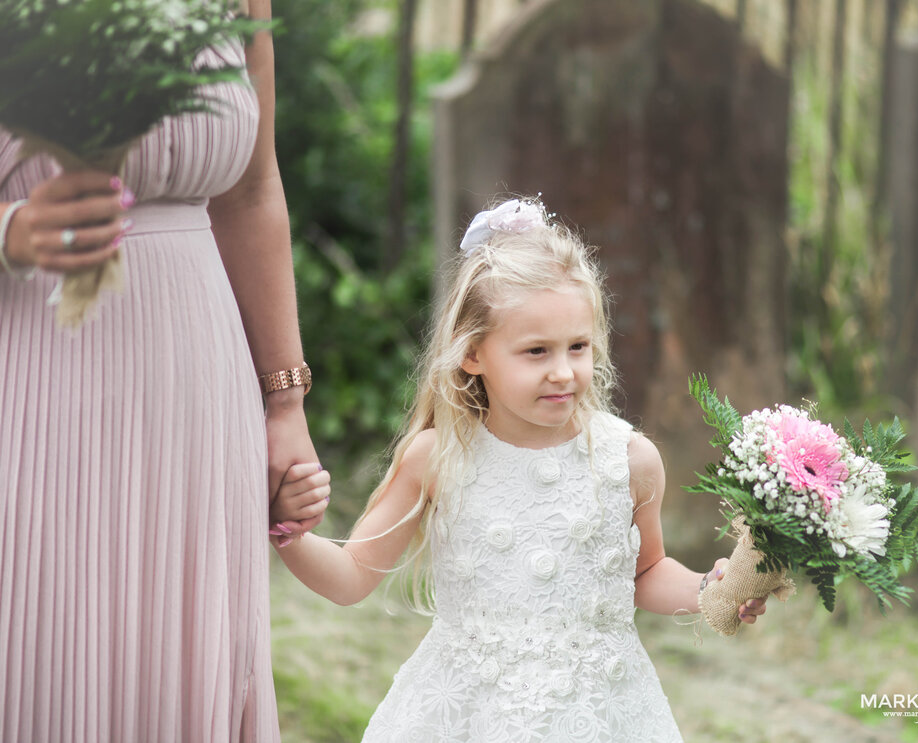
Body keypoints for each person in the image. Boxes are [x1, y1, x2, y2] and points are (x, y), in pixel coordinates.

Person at [270, 197, 768, 741]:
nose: (563, 371)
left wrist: (710, 588)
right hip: (467, 712)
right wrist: (290, 535)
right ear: (472, 354)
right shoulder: (438, 458)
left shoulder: (629, 460)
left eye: (578, 346)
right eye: (536, 352)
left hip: (597, 712)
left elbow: (644, 573)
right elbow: (350, 579)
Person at [0, 2, 321, 740]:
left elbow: (251, 191)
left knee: (183, 648)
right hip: (35, 361)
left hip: (193, 380)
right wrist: (14, 229)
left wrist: (284, 403)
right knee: (46, 644)